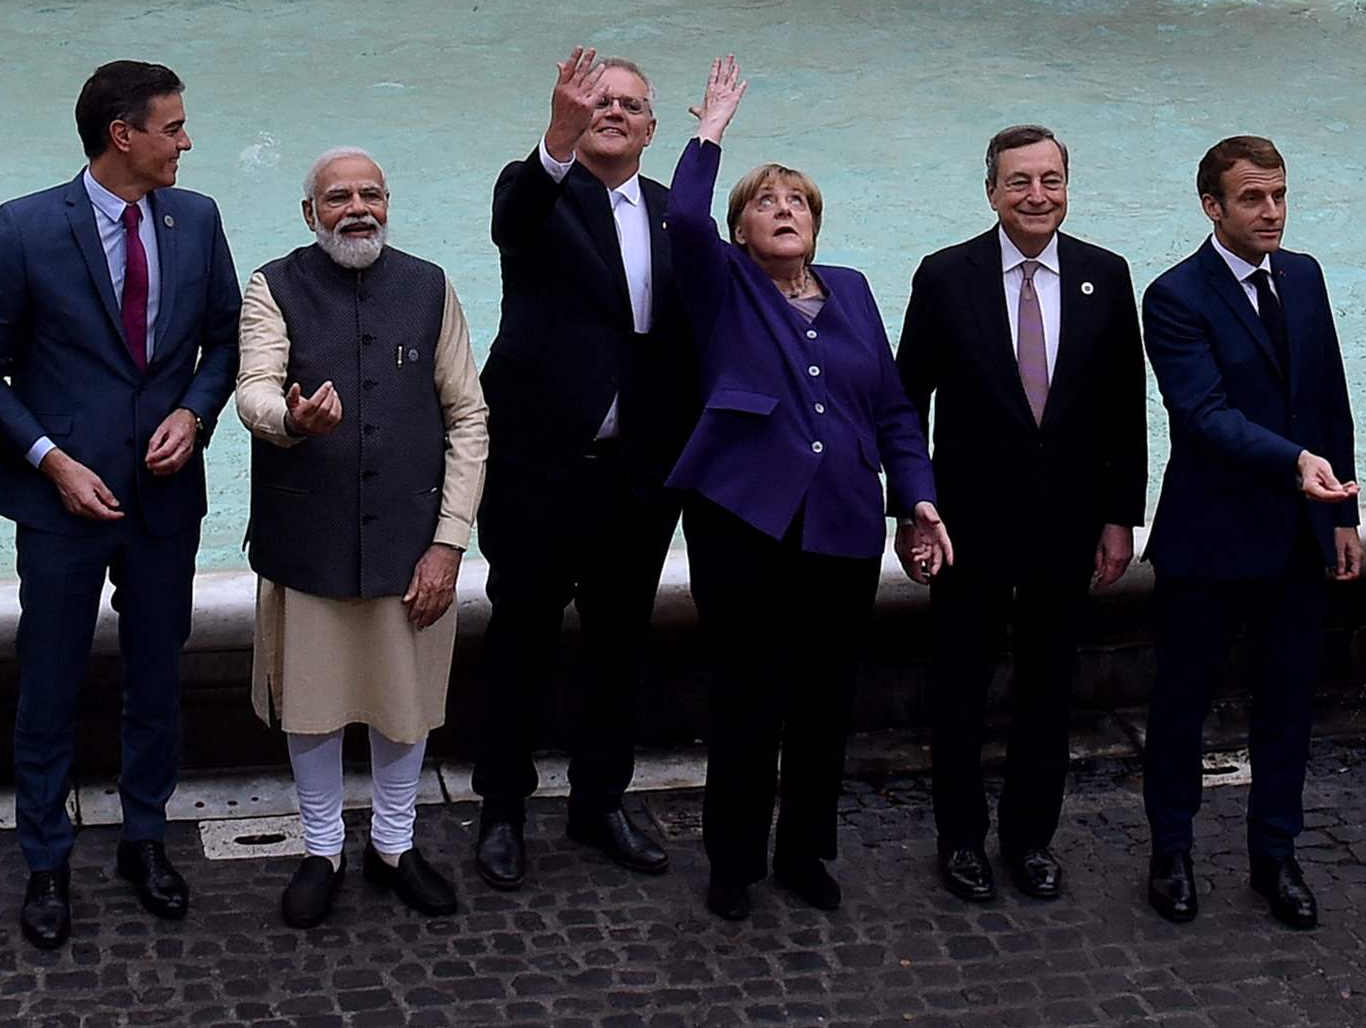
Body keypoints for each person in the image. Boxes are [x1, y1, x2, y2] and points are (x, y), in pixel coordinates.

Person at [655, 58, 948, 920]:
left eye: (798, 202)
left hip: (846, 523)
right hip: (745, 520)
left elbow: (894, 408)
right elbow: (680, 215)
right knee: (746, 695)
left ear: (816, 224)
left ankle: (805, 853)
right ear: (741, 230)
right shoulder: (722, 284)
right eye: (766, 202)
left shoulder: (853, 291)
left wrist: (919, 498)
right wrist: (709, 133)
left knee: (825, 700)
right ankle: (732, 862)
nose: (784, 210)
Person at [0, 59, 240, 951]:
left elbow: (225, 340)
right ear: (121, 135)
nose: (186, 142)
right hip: (62, 504)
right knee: (46, 684)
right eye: (172, 127)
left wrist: (193, 415)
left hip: (165, 496)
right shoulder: (23, 227)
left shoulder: (197, 219)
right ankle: (45, 860)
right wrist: (49, 460)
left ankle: (144, 839)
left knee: (157, 677)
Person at [232, 149, 489, 927]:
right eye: (337, 197)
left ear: (390, 204)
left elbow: (468, 416)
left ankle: (394, 843)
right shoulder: (271, 285)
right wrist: (289, 419)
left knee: (401, 703)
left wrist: (450, 542)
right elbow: (252, 388)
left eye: (371, 194)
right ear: (309, 213)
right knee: (308, 705)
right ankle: (320, 848)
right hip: (305, 536)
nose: (357, 208)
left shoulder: (430, 285)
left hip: (412, 541)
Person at [897, 124, 1148, 909]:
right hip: (967, 526)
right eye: (1019, 182)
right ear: (991, 192)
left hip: (1067, 526)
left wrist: (1119, 516)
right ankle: (961, 840)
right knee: (960, 692)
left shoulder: (1106, 276)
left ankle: (1030, 839)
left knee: (1049, 691)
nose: (1036, 196)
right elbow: (906, 403)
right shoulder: (945, 277)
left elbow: (1124, 410)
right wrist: (911, 508)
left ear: (1068, 186)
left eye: (1050, 180)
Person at [470, 48, 702, 889]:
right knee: (519, 637)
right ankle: (501, 807)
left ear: (649, 125)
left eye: (630, 104)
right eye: (597, 101)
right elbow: (511, 218)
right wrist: (556, 133)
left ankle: (601, 798)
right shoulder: (539, 191)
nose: (613, 111)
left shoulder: (679, 214)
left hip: (637, 471)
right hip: (539, 462)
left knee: (618, 643)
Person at [1133, 136, 1357, 931]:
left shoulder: (1306, 276)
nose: (1272, 212)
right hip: (1208, 539)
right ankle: (1172, 852)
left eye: (1280, 195)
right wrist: (1296, 460)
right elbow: (1201, 415)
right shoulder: (1174, 296)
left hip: (1298, 537)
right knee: (1181, 707)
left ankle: (1276, 857)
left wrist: (1343, 515)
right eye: (1253, 199)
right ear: (1213, 207)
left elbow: (1328, 395)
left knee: (1288, 707)